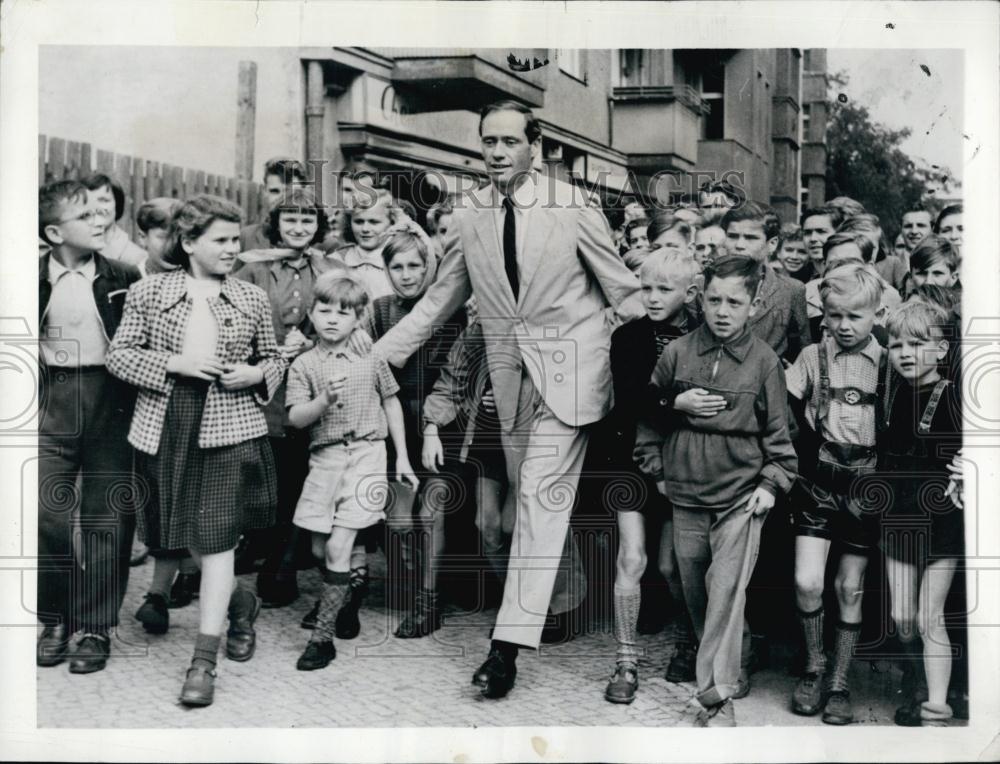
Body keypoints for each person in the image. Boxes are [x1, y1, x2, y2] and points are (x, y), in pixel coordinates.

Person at [372, 100, 645, 698]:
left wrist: (613, 360)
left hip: (572, 380)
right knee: (529, 507)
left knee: (540, 504)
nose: (496, 152)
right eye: (487, 141)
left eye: (509, 141)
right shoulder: (470, 214)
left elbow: (626, 293)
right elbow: (437, 302)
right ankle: (560, 604)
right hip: (510, 382)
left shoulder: (574, 206)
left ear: (536, 143)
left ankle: (505, 650)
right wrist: (376, 356)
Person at [106, 194, 286, 707]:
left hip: (230, 432)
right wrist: (173, 365)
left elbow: (272, 359)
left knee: (217, 541)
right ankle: (239, 607)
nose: (234, 249)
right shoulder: (149, 291)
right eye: (222, 241)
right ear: (188, 243)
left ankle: (203, 662)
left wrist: (257, 374)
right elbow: (120, 356)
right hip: (166, 425)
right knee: (176, 532)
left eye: (236, 240)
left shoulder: (250, 297)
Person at [634, 255, 797, 726]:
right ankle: (741, 651)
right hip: (684, 495)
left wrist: (771, 483)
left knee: (725, 591)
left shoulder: (766, 363)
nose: (723, 311)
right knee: (698, 593)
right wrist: (658, 473)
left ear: (754, 304)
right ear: (700, 298)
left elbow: (781, 440)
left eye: (735, 302)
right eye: (714, 300)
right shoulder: (677, 353)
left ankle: (713, 695)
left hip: (741, 498)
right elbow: (649, 420)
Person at [286, 273, 418, 671]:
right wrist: (323, 400)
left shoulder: (371, 357)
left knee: (337, 548)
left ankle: (321, 639)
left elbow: (391, 403)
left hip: (367, 454)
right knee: (319, 548)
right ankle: (346, 597)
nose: (331, 319)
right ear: (311, 313)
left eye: (342, 313)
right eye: (323, 310)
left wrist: (404, 458)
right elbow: (294, 417)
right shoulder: (304, 364)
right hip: (324, 459)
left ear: (358, 318)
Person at [36, 180, 141, 674]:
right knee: (44, 514)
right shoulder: (28, 276)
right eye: (87, 216)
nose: (101, 221)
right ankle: (56, 615)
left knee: (107, 517)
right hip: (51, 401)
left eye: (104, 213)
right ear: (54, 232)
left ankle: (96, 626)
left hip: (111, 402)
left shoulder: (122, 273)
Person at [785, 262, 886, 726]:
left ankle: (840, 681)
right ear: (823, 313)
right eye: (835, 316)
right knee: (807, 581)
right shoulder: (811, 357)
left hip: (865, 484)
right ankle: (814, 665)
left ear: (876, 314)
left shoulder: (886, 363)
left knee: (850, 586)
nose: (844, 326)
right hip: (818, 482)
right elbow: (785, 413)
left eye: (855, 317)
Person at [601, 250, 702, 705]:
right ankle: (625, 660)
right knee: (632, 559)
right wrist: (672, 405)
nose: (654, 297)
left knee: (674, 565)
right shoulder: (628, 337)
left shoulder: (704, 335)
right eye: (647, 288)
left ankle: (686, 642)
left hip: (684, 460)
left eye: (665, 289)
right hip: (630, 459)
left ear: (690, 292)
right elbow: (629, 400)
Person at [235, 188, 338, 608]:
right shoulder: (254, 268)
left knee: (298, 477)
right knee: (264, 476)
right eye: (290, 219)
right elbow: (235, 314)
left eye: (307, 220)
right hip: (265, 386)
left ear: (318, 227)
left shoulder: (331, 268)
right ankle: (256, 545)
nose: (299, 227)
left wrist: (310, 341)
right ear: (276, 225)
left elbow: (345, 313)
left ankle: (282, 565)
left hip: (312, 383)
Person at [363, 230, 467, 638]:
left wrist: (434, 425)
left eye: (415, 266)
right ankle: (408, 583)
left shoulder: (450, 311)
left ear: (430, 268)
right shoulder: (380, 310)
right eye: (397, 266)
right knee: (400, 521)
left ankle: (430, 599)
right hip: (393, 422)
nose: (407, 275)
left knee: (431, 514)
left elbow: (457, 376)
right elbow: (366, 366)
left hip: (443, 423)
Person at [878, 300, 964, 728]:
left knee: (931, 617)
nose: (905, 352)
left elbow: (978, 444)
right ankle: (917, 677)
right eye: (896, 345)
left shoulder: (952, 397)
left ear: (943, 350)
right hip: (899, 519)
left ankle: (936, 706)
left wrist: (969, 464)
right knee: (902, 619)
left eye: (917, 343)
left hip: (942, 521)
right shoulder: (893, 397)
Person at [720, 202, 811, 361]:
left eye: (750, 238)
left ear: (772, 244)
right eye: (733, 236)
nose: (739, 245)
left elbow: (802, 352)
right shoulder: (702, 285)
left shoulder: (791, 290)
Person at [334, 187, 400, 300]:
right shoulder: (337, 260)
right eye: (359, 222)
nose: (365, 229)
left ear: (392, 222)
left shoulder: (402, 260)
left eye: (374, 222)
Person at [80, 173, 148, 268]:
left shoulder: (136, 257)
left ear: (117, 205)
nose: (96, 208)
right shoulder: (74, 251)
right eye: (88, 201)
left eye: (103, 200)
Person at [240, 157, 307, 252]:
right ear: (264, 192)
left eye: (290, 192)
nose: (282, 200)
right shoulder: (247, 237)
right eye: (275, 191)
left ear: (304, 194)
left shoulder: (322, 243)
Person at [135, 197, 182, 277]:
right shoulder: (131, 278)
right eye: (163, 237)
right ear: (143, 238)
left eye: (179, 237)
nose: (173, 244)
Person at [801, 206, 840, 278]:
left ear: (837, 234)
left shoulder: (848, 273)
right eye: (807, 233)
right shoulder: (800, 275)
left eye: (821, 231)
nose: (813, 238)